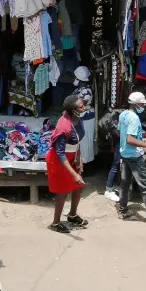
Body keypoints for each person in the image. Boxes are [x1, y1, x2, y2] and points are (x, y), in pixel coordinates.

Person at [117, 91, 146, 225]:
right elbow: (129, 139)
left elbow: (121, 132)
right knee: (145, 187)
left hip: (124, 153)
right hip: (135, 156)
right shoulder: (134, 118)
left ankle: (123, 210)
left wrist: (140, 136)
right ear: (136, 104)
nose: (144, 105)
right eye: (142, 103)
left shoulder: (123, 114)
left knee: (125, 183)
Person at [46, 95, 89, 233]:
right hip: (60, 160)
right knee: (62, 191)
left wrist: (79, 157)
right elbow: (59, 153)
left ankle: (72, 215)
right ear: (72, 110)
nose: (84, 107)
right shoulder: (64, 126)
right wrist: (73, 173)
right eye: (80, 106)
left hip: (72, 157)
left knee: (78, 186)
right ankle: (55, 223)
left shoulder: (78, 119)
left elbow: (78, 140)